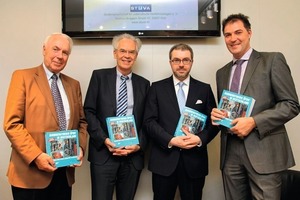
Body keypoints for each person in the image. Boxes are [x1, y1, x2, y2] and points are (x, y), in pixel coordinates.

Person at [210, 13, 300, 200]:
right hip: (231, 155)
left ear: (249, 33)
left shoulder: (272, 60)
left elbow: (291, 104)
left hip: (264, 152)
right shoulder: (222, 73)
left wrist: (254, 121)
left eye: (238, 32)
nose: (233, 39)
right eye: (227, 35)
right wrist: (218, 117)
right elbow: (228, 111)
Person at [3, 33, 88, 200]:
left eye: (65, 53)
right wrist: (37, 156)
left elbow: (82, 123)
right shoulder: (22, 77)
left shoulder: (73, 84)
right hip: (30, 175)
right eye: (55, 49)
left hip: (63, 174)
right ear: (44, 50)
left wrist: (80, 148)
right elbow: (12, 124)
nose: (60, 56)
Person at [143, 43, 219, 200]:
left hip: (194, 162)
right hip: (163, 161)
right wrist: (171, 140)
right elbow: (149, 122)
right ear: (170, 62)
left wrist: (199, 139)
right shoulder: (156, 88)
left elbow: (214, 122)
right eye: (176, 60)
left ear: (192, 61)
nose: (181, 64)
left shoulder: (204, 89)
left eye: (186, 60)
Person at [84, 33, 150, 200]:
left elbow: (147, 121)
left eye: (131, 52)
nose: (127, 56)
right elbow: (89, 112)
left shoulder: (144, 84)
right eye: (122, 51)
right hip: (104, 155)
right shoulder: (98, 77)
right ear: (115, 53)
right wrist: (105, 140)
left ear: (136, 56)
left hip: (132, 157)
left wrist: (138, 145)